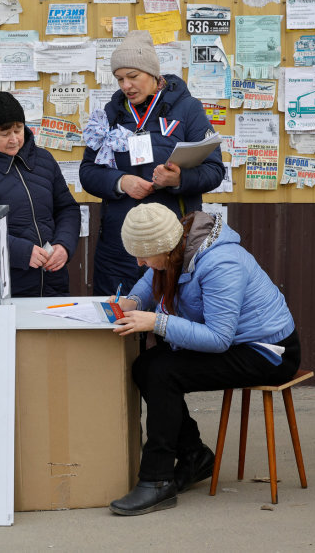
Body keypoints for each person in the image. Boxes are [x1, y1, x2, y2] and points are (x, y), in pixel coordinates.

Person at [107, 203, 300, 515]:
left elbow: (219, 339)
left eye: (143, 254)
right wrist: (132, 301)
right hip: (237, 343)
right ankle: (194, 455)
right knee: (146, 366)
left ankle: (157, 480)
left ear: (165, 247)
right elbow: (151, 278)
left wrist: (154, 322)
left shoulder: (221, 263)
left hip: (269, 352)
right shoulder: (176, 247)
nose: (140, 262)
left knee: (162, 372)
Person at [80, 30, 224, 296]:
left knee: (170, 323)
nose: (126, 86)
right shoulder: (109, 114)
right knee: (119, 323)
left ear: (153, 74)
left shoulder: (188, 109)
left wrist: (179, 180)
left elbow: (214, 170)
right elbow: (88, 172)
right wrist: (120, 182)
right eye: (120, 78)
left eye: (133, 77)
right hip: (119, 246)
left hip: (172, 244)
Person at [0, 92, 81, 297]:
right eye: (4, 133)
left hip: (53, 281)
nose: (14, 139)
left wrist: (64, 245)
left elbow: (67, 208)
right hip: (1, 287)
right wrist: (20, 252)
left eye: (18, 130)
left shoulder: (44, 159)